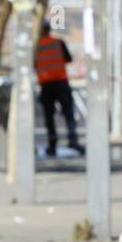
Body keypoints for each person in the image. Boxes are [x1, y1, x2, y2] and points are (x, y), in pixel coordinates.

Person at [35, 20, 82, 157]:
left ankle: (52, 144)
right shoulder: (58, 42)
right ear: (49, 29)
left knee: (49, 117)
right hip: (61, 83)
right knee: (68, 114)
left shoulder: (36, 47)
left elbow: (34, 65)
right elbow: (68, 59)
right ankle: (73, 140)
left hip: (46, 85)